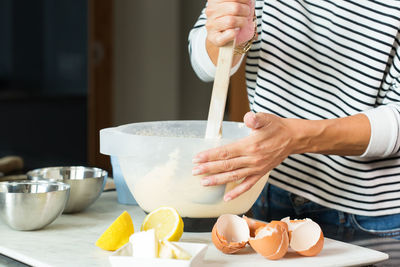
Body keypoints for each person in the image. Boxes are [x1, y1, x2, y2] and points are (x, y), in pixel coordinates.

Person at [189, 0, 400, 239]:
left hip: (371, 213)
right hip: (270, 190)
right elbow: (202, 60)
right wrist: (228, 37)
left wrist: (293, 138)